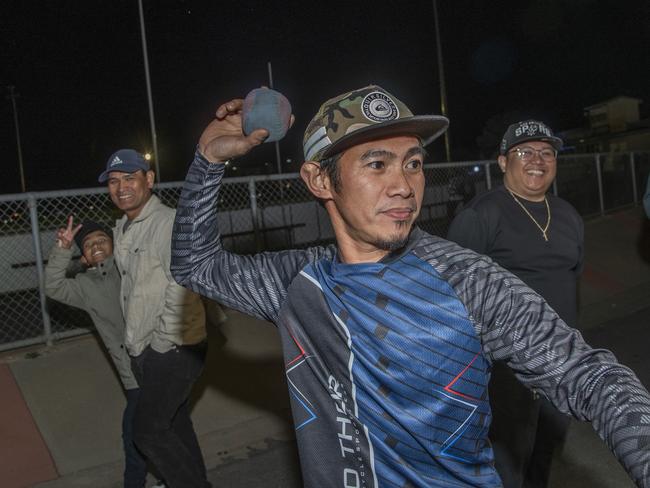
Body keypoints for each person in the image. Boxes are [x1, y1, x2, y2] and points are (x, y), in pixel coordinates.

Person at [170, 85, 650, 487]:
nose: (404, 185)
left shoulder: (467, 280)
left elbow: (591, 376)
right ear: (319, 180)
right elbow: (194, 264)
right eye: (377, 164)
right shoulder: (296, 282)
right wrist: (207, 160)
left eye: (414, 163)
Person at [447, 120, 583, 487]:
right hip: (507, 371)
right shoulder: (481, 216)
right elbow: (451, 297)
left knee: (544, 453)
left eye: (546, 153)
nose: (537, 160)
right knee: (507, 465)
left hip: (561, 363)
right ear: (504, 162)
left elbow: (571, 284)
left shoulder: (568, 216)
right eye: (525, 152)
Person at [98, 149, 209, 488]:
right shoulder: (124, 227)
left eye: (129, 178)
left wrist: (161, 344)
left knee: (146, 431)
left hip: (173, 346)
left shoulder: (166, 223)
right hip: (143, 347)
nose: (121, 188)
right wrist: (138, 348)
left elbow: (183, 285)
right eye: (114, 182)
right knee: (174, 425)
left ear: (149, 180)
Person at [44, 217, 158, 488]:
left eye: (102, 240)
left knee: (145, 432)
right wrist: (63, 249)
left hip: (160, 361)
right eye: (88, 244)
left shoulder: (130, 269)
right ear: (83, 256)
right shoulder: (84, 285)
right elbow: (54, 286)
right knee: (145, 432)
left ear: (113, 245)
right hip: (131, 374)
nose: (95, 245)